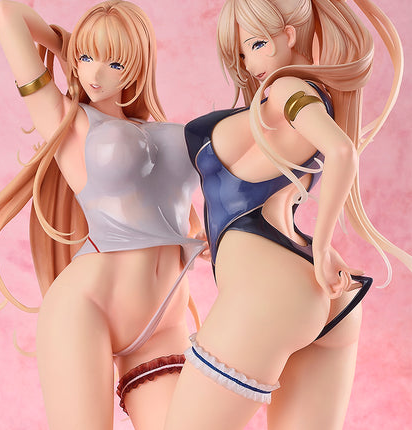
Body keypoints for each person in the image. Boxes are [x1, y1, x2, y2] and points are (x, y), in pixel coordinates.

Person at [164, 0, 412, 429]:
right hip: (318, 293)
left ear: (289, 35)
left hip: (271, 291)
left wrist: (324, 245)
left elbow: (341, 152)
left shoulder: (285, 89)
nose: (249, 63)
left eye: (257, 44)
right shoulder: (299, 100)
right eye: (241, 53)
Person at [0, 1, 204, 429]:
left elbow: (179, 214)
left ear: (136, 68)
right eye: (87, 58)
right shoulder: (66, 119)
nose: (94, 73)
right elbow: (8, 14)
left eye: (114, 62)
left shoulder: (159, 129)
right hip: (87, 308)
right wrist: (66, 47)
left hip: (164, 322)